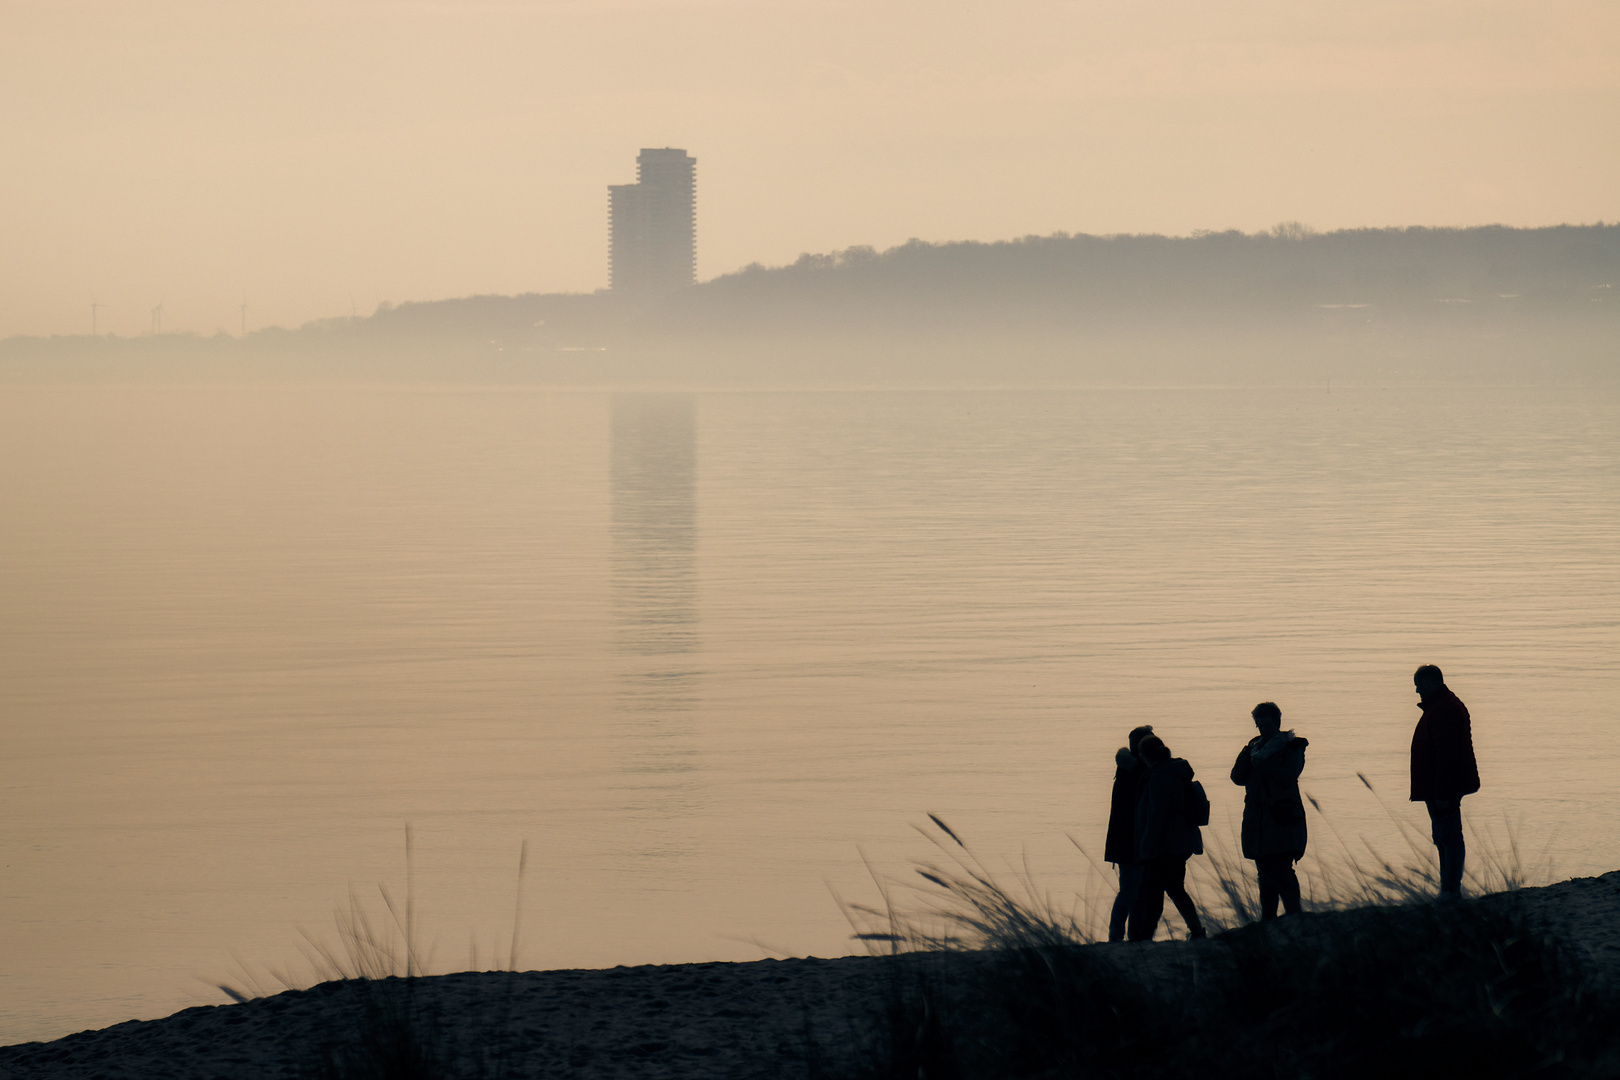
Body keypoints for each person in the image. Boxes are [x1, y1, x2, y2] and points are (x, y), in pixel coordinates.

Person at [1230, 702, 1308, 920]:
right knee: (1264, 874)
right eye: (1258, 725)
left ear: (1277, 723)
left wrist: (1263, 763)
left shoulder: (1292, 747)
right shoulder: (1253, 748)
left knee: (1282, 871)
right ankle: (1268, 919)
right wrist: (1250, 754)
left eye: (1266, 725)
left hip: (1282, 820)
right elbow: (1237, 777)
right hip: (1258, 822)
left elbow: (1288, 776)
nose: (1262, 730)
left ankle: (1295, 916)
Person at [1127, 734, 1207, 941]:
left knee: (1163, 891)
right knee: (1166, 889)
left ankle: (1192, 930)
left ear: (1145, 756)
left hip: (1165, 846)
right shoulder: (1176, 771)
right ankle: (1190, 929)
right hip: (1180, 842)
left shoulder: (1158, 777)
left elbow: (1157, 815)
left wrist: (1146, 844)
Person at [1410, 664, 1480, 899]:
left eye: (1418, 685)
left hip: (1443, 789)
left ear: (1428, 683)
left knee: (1448, 838)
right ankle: (1448, 889)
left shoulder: (1443, 710)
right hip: (1440, 788)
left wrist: (1441, 793)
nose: (1417, 691)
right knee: (1444, 837)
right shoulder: (1442, 706)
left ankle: (1450, 890)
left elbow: (1446, 755)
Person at [1104, 725, 1156, 942]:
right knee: (1130, 893)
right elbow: (1130, 815)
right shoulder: (1134, 774)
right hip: (1130, 844)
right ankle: (1117, 936)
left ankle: (1134, 936)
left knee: (1138, 893)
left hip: (1133, 843)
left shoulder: (1136, 772)